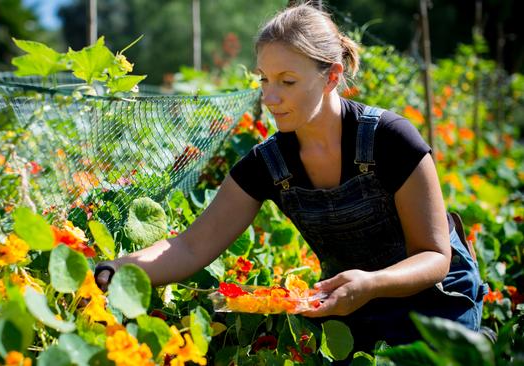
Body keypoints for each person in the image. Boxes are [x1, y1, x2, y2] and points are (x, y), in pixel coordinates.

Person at [95, 3, 486, 351]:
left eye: (287, 81)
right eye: (264, 79)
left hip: (436, 305)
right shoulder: (269, 163)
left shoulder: (390, 139)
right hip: (349, 306)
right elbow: (191, 248)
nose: (269, 97)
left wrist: (369, 283)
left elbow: (434, 256)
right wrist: (113, 270)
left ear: (331, 76)